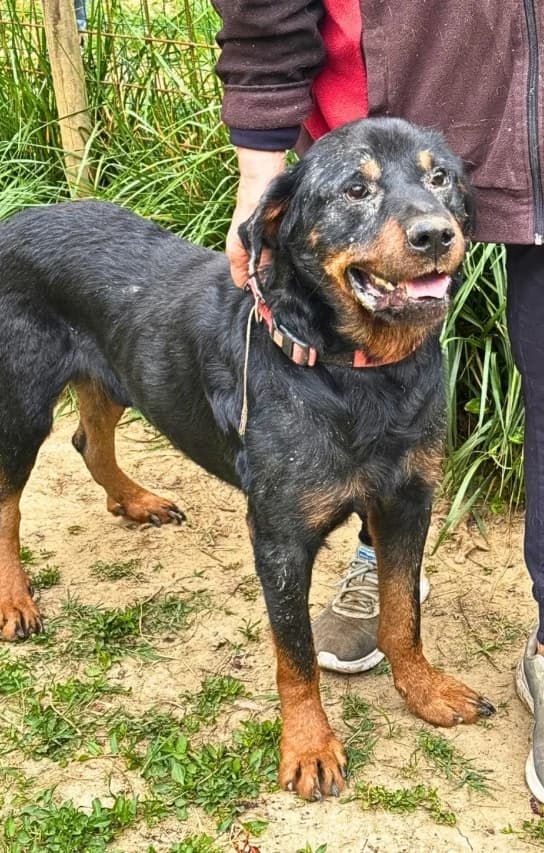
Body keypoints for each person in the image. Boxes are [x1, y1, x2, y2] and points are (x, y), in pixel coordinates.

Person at [212, 1, 544, 799]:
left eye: (438, 192)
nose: (428, 223)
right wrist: (261, 167)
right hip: (411, 75)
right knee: (342, 501)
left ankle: (411, 653)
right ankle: (325, 662)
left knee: (404, 489)